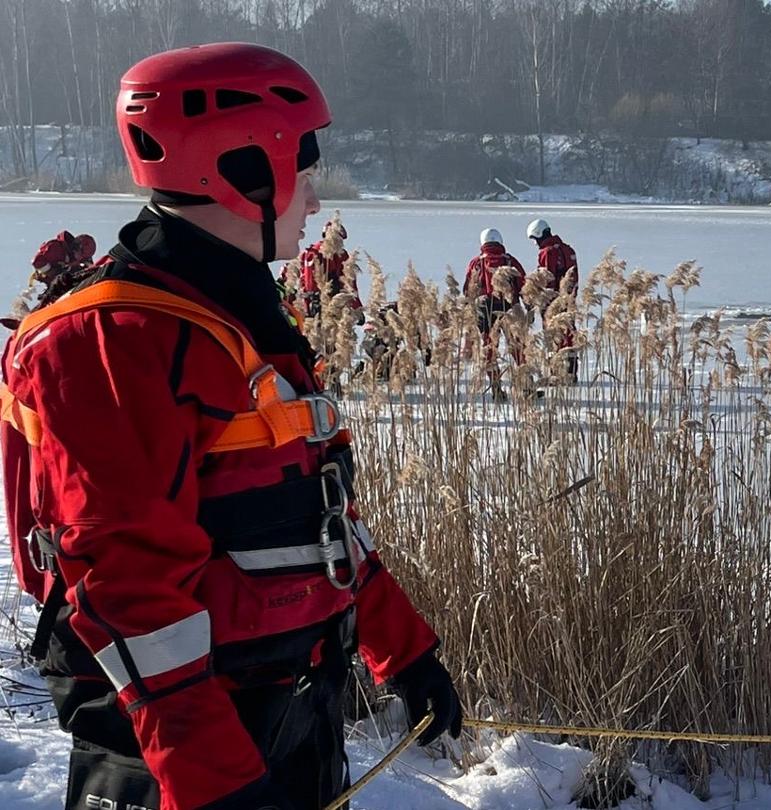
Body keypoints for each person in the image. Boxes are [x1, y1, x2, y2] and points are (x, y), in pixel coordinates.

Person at [0, 43, 462, 810]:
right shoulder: (114, 341)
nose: (314, 204)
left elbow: (315, 519)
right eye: (307, 177)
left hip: (287, 716)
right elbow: (129, 592)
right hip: (180, 755)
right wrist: (214, 783)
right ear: (245, 172)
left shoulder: (240, 314)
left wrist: (405, 655)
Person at [527, 218, 579, 380]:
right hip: (568, 299)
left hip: (552, 302)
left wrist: (541, 297)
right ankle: (571, 371)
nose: (535, 244)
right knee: (569, 333)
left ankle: (556, 372)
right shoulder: (568, 249)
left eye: (535, 240)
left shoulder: (547, 252)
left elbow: (547, 277)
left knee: (552, 336)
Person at [295, 219, 357, 316]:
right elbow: (349, 283)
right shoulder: (318, 253)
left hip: (317, 303)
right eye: (339, 239)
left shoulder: (309, 252)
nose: (340, 243)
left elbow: (349, 282)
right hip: (324, 303)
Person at [28, 231, 99, 309]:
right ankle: (37, 311)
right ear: (76, 246)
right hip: (50, 280)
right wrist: (54, 271)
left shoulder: (78, 258)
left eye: (84, 257)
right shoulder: (56, 248)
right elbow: (37, 261)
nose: (80, 258)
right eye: (81, 254)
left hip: (62, 284)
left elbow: (91, 269)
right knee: (53, 293)